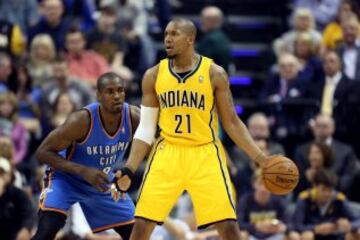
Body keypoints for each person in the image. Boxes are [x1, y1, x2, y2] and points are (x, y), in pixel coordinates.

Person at [113, 18, 271, 239]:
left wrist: (261, 158)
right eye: (166, 33)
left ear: (190, 39)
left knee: (227, 225)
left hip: (204, 152)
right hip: (168, 152)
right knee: (141, 224)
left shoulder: (214, 73)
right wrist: (129, 168)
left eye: (174, 34)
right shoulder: (153, 75)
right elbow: (147, 128)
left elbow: (232, 122)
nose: (167, 38)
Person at [31, 72, 140, 240]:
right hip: (66, 179)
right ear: (98, 95)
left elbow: (150, 143)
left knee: (137, 234)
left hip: (101, 181)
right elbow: (42, 153)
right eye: (110, 92)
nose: (117, 96)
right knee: (46, 232)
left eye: (120, 90)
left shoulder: (134, 117)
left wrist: (129, 170)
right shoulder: (81, 120)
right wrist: (83, 171)